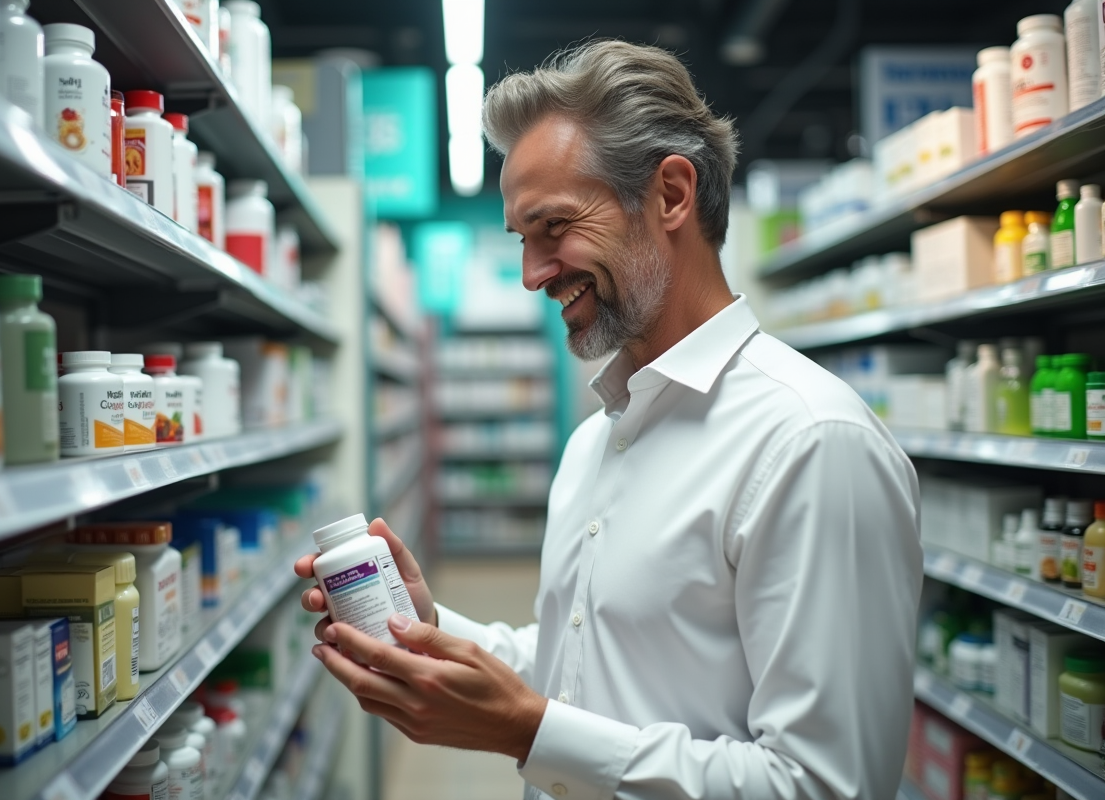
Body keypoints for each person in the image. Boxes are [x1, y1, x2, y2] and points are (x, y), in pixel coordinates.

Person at [296, 39, 922, 800]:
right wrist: (428, 627)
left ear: (670, 195)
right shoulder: (598, 438)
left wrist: (526, 733)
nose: (532, 274)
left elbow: (826, 786)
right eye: (522, 241)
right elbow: (587, 662)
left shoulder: (813, 443)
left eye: (553, 227)